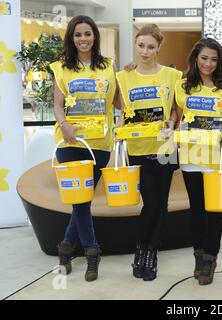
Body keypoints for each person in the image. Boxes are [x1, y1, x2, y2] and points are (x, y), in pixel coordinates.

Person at [51, 15, 120, 281]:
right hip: (69, 142)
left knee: (82, 200)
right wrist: (64, 124)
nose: (83, 39)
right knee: (80, 200)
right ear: (71, 38)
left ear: (95, 37)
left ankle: (66, 249)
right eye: (78, 34)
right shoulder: (62, 68)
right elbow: (58, 104)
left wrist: (131, 76)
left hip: (100, 144)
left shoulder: (108, 66)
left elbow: (117, 101)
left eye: (87, 34)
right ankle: (93, 252)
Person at [116, 24, 182, 281]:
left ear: (158, 48)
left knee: (161, 203)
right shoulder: (124, 77)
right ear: (135, 44)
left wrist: (172, 122)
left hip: (165, 147)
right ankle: (141, 248)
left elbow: (177, 110)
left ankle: (151, 252)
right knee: (150, 203)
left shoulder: (173, 76)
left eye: (150, 46)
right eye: (141, 45)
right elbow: (120, 108)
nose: (145, 51)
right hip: (137, 147)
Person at [174, 38, 222, 285]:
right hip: (191, 156)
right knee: (197, 211)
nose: (208, 64)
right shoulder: (183, 86)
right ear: (195, 59)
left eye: (214, 59)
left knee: (215, 211)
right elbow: (178, 116)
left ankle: (211, 257)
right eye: (204, 58)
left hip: (218, 159)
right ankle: (199, 255)